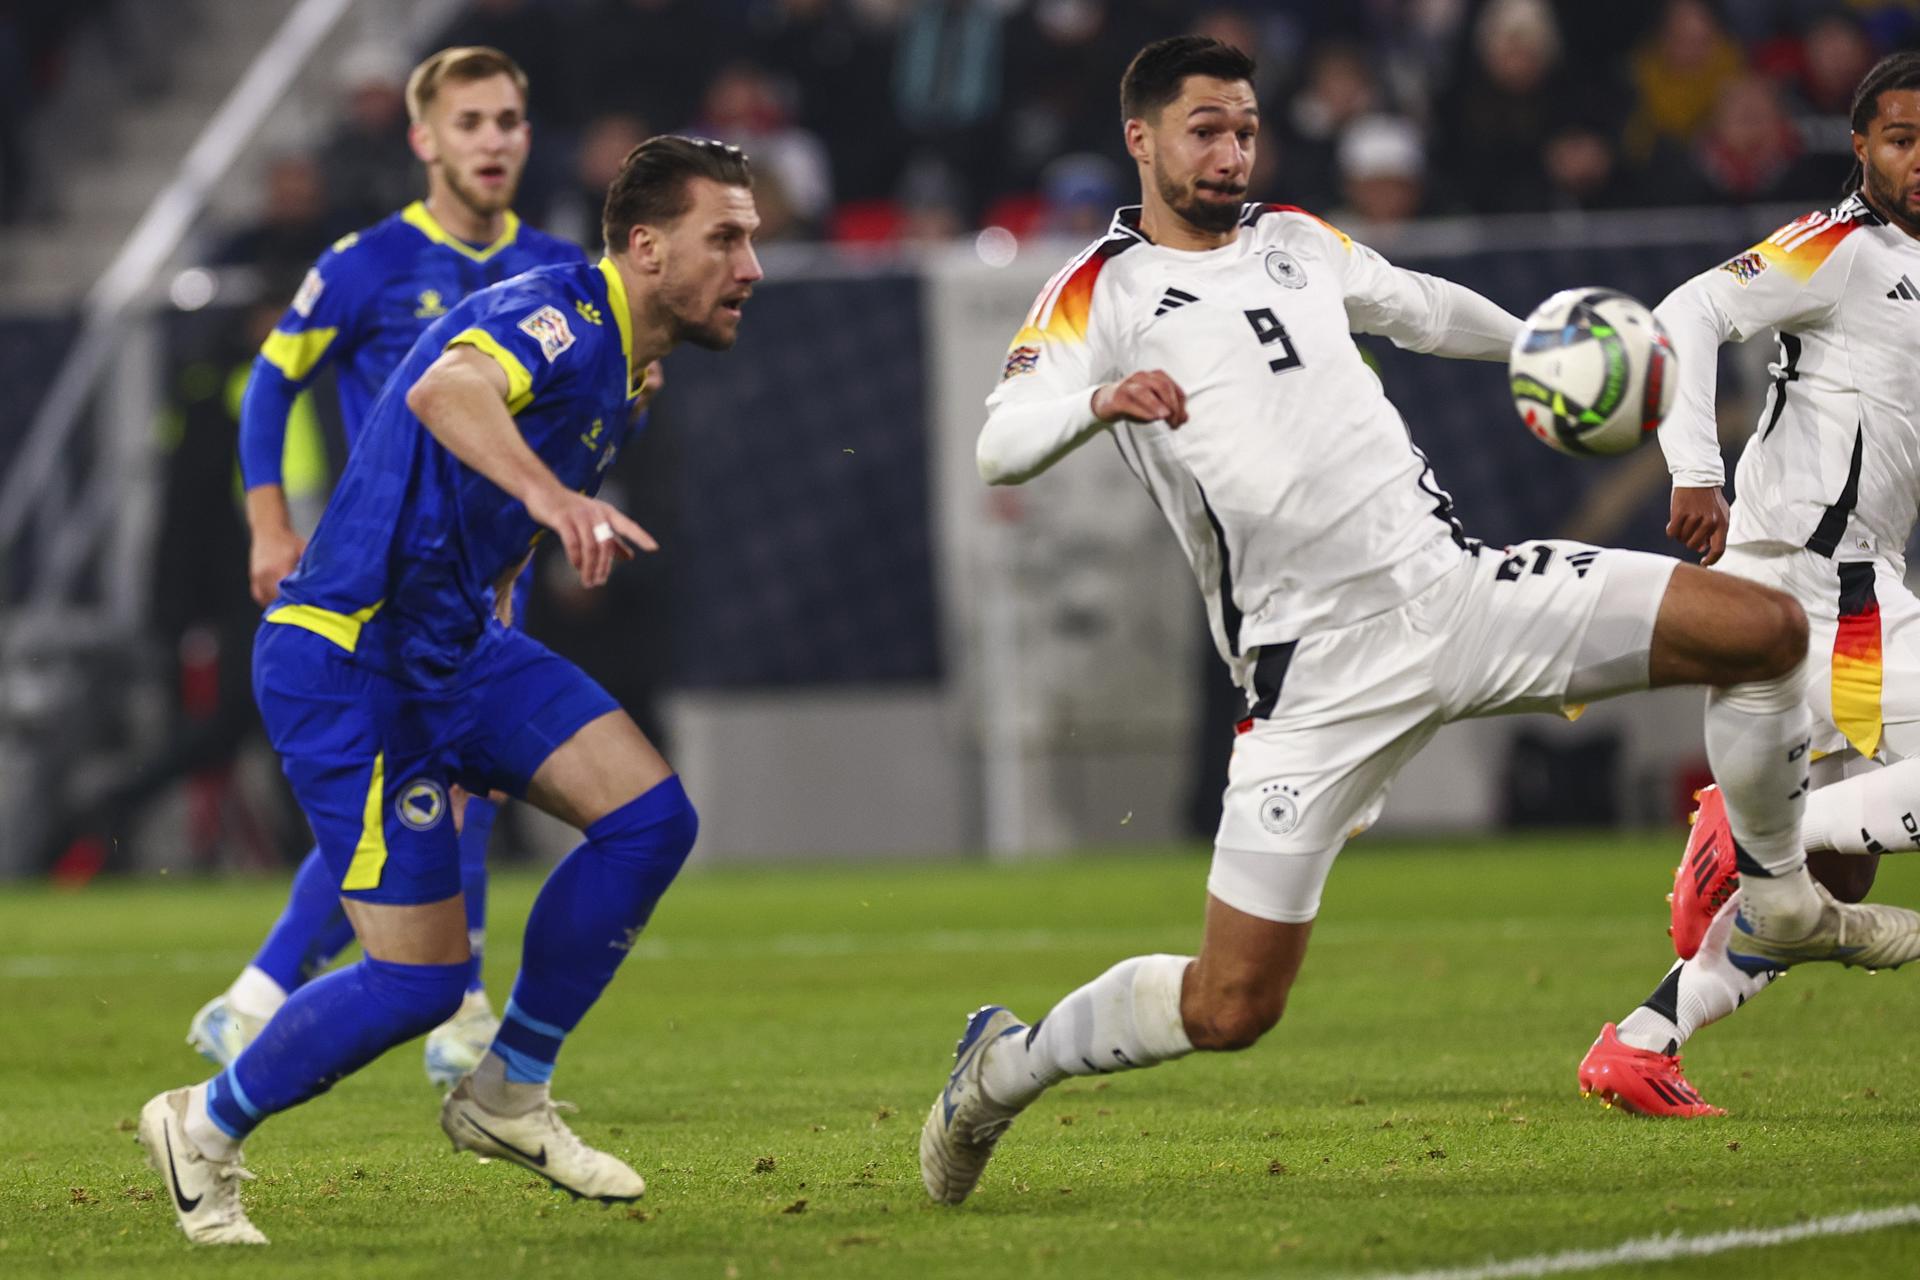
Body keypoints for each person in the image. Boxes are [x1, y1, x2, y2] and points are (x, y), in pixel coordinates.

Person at [917, 35, 1920, 1207]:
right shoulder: (1099, 289)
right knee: (1231, 1004)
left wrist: (1539, 341)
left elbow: (1418, 307)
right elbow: (1000, 438)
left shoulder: (1296, 237)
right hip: (1313, 676)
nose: (1232, 149)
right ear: (1139, 137)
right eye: (1205, 128)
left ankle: (1781, 895)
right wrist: (1099, 398)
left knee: (1760, 630)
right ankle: (1000, 1068)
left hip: (1459, 590)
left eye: (1245, 126)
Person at [136, 134, 761, 1245]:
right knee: (417, 983)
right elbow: (445, 384)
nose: (751, 265)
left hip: (457, 649)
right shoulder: (561, 311)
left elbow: (490, 511)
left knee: (651, 816)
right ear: (648, 247)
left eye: (750, 237)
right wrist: (557, 499)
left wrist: (519, 556)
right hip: (351, 656)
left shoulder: (629, 374)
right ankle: (202, 1123)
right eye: (727, 237)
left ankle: (509, 1088)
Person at [189, 46, 585, 1090]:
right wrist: (268, 527)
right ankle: (396, 1005)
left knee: (456, 782)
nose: (493, 140)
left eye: (508, 120)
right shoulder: (364, 263)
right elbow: (270, 388)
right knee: (439, 781)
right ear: (425, 141)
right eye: (470, 123)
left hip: (499, 574)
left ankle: (286, 995)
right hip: (393, 581)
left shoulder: (555, 269)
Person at [1579, 51, 1920, 1117]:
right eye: (1904, 140)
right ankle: (1753, 832)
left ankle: (1641, 1041)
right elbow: (1687, 310)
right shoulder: (1839, 246)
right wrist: (1694, 468)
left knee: (1836, 887)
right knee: (1818, 854)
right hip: (1813, 589)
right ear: (1860, 145)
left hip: (1861, 588)